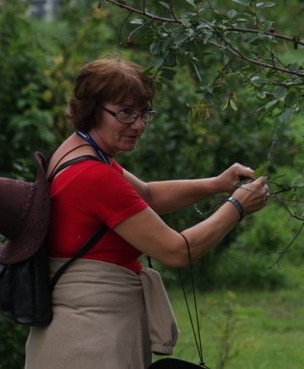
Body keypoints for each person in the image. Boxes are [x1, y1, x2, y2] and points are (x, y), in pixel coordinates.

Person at [24, 55, 270, 369]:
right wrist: (237, 207)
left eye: (144, 113)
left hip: (67, 337)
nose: (138, 125)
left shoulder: (74, 151)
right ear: (92, 109)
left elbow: (148, 195)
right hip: (93, 344)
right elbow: (177, 251)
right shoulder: (94, 176)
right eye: (125, 113)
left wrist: (217, 184)